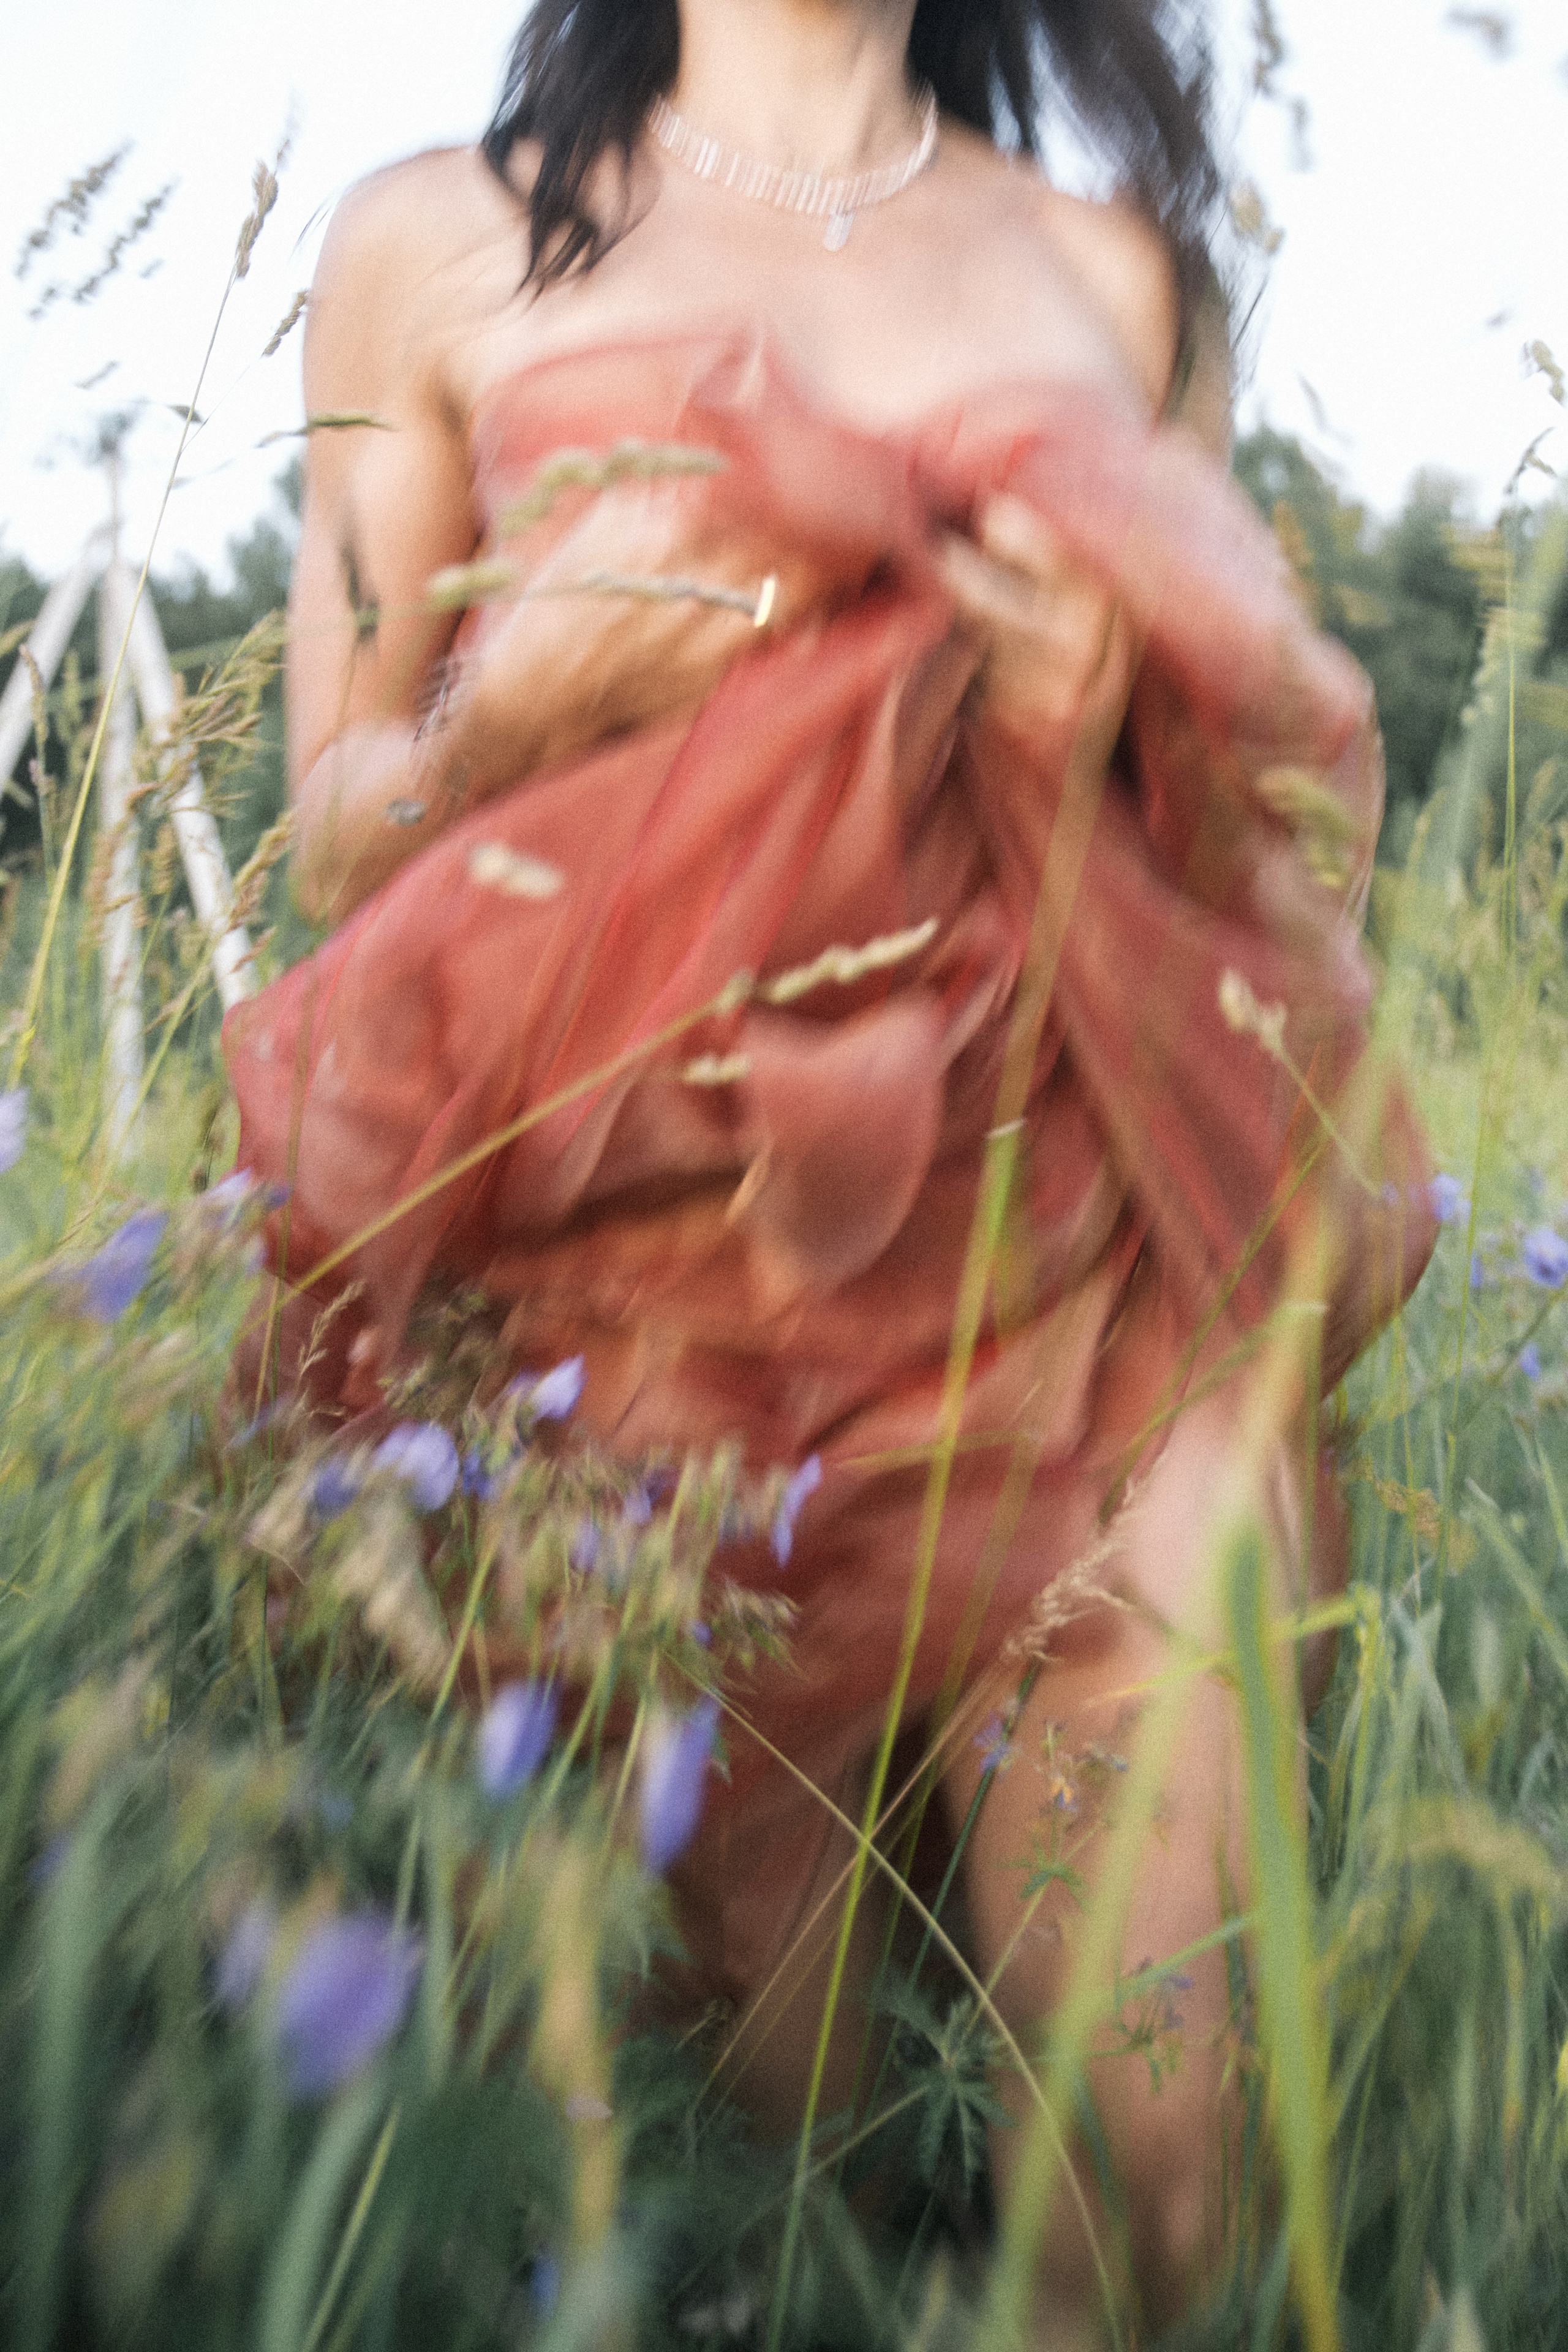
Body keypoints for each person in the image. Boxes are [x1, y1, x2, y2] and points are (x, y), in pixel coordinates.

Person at [225, 0, 1434, 2335]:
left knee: (1167, 2187)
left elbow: (1266, 844)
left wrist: (1103, 725)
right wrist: (510, 716)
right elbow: (329, 815)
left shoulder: (1110, 274)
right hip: (635, 1364)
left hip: (1086, 1292)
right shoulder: (430, 243)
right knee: (724, 2225)